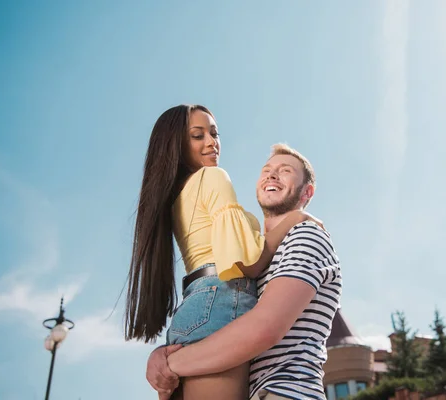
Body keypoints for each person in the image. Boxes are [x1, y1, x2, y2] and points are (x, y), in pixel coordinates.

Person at [125, 105, 320, 399]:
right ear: (176, 144)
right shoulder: (213, 178)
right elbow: (248, 264)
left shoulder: (178, 197)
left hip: (194, 308)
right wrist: (296, 218)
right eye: (197, 135)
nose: (211, 142)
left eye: (214, 133)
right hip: (223, 301)